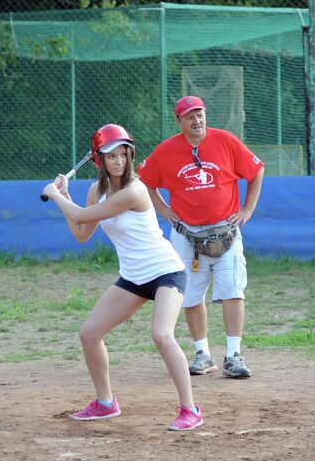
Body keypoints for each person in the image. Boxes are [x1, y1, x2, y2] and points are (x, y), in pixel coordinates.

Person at [42, 124, 202, 431]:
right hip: (133, 277)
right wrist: (65, 198)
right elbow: (80, 233)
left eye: (123, 155)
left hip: (166, 271)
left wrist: (56, 195)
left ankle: (190, 409)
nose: (119, 162)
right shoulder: (96, 191)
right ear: (100, 160)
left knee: (162, 335)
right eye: (111, 156)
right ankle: (105, 403)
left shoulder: (135, 191)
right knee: (89, 334)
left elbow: (79, 215)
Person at [137, 96, 264, 379]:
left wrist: (247, 209)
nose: (197, 120)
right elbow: (144, 178)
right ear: (179, 122)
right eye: (190, 116)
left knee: (232, 290)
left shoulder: (226, 141)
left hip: (225, 230)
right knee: (191, 294)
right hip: (186, 234)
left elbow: (256, 171)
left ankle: (233, 355)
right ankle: (202, 354)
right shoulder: (167, 151)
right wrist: (163, 209)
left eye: (200, 114)